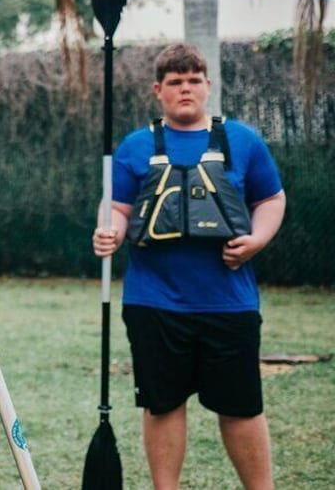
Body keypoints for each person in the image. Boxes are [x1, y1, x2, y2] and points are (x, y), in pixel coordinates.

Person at [92, 43, 286, 490]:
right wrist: (109, 231)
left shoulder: (243, 140)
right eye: (175, 82)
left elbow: (271, 199)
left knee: (240, 406)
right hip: (154, 302)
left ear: (208, 86)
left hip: (229, 302)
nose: (185, 89)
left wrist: (256, 241)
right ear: (159, 90)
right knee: (162, 404)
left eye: (193, 80)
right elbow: (117, 206)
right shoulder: (136, 146)